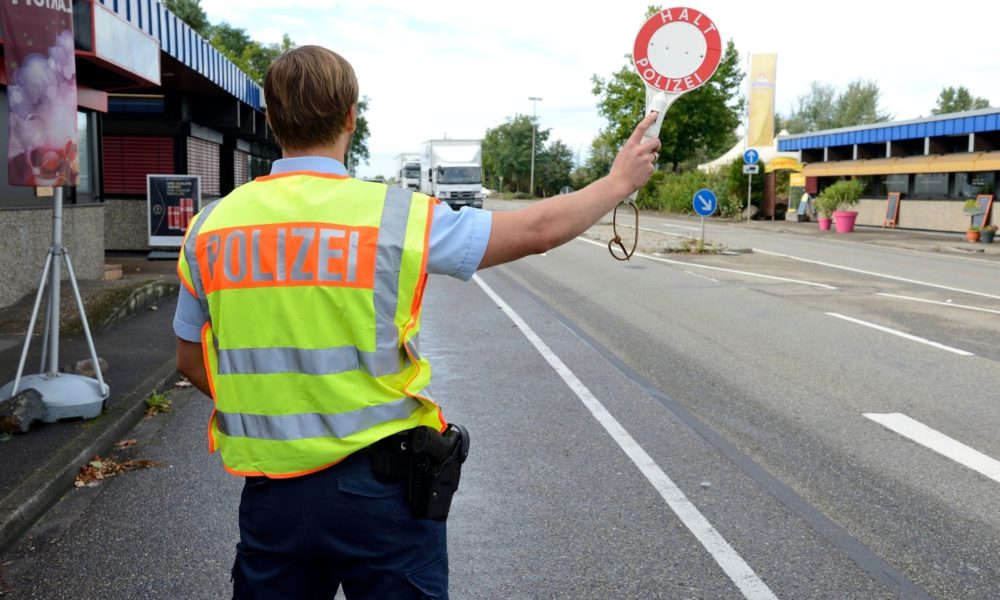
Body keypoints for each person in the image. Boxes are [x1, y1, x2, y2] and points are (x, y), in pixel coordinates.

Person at [174, 45, 659, 600]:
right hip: (380, 496)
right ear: (351, 116)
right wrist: (618, 183)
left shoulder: (211, 227)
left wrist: (277, 408)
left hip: (272, 500)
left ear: (271, 118)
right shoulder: (393, 215)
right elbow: (535, 230)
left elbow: (190, 359)